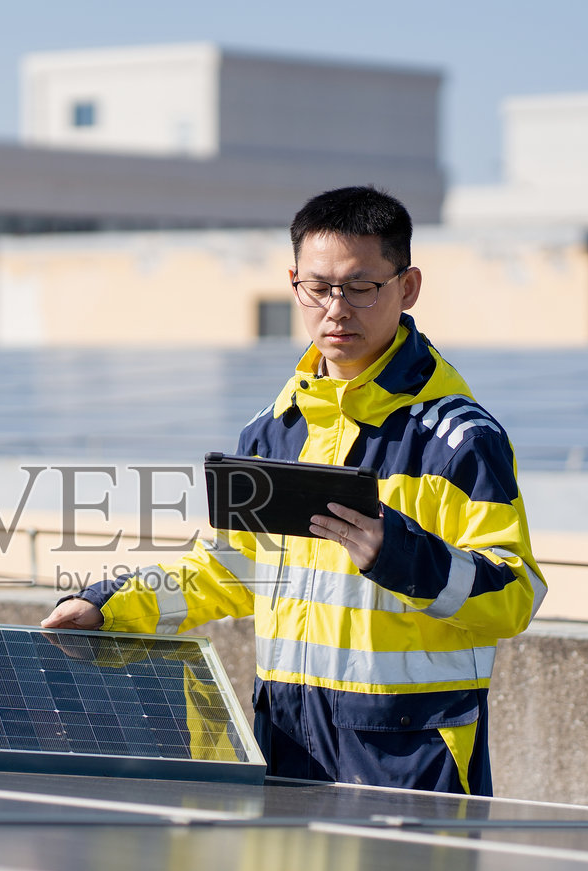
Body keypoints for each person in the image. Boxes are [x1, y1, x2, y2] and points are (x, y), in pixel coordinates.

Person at [42, 185, 546, 794]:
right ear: (293, 283)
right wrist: (108, 608)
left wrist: (402, 556)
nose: (337, 309)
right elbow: (228, 570)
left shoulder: (459, 440)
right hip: (285, 743)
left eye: (362, 287)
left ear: (408, 287)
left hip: (410, 760)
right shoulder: (271, 431)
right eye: (318, 287)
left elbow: (515, 594)